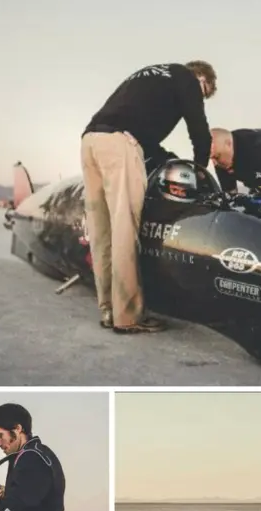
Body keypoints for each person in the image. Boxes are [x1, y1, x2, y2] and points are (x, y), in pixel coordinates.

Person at [81, 61, 216, 332]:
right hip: (120, 144)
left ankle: (108, 309)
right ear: (200, 77)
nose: (200, 98)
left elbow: (147, 136)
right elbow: (199, 130)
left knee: (102, 232)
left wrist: (169, 159)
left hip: (91, 141)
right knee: (124, 228)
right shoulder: (186, 78)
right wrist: (199, 171)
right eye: (204, 92)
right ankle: (128, 317)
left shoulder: (153, 76)